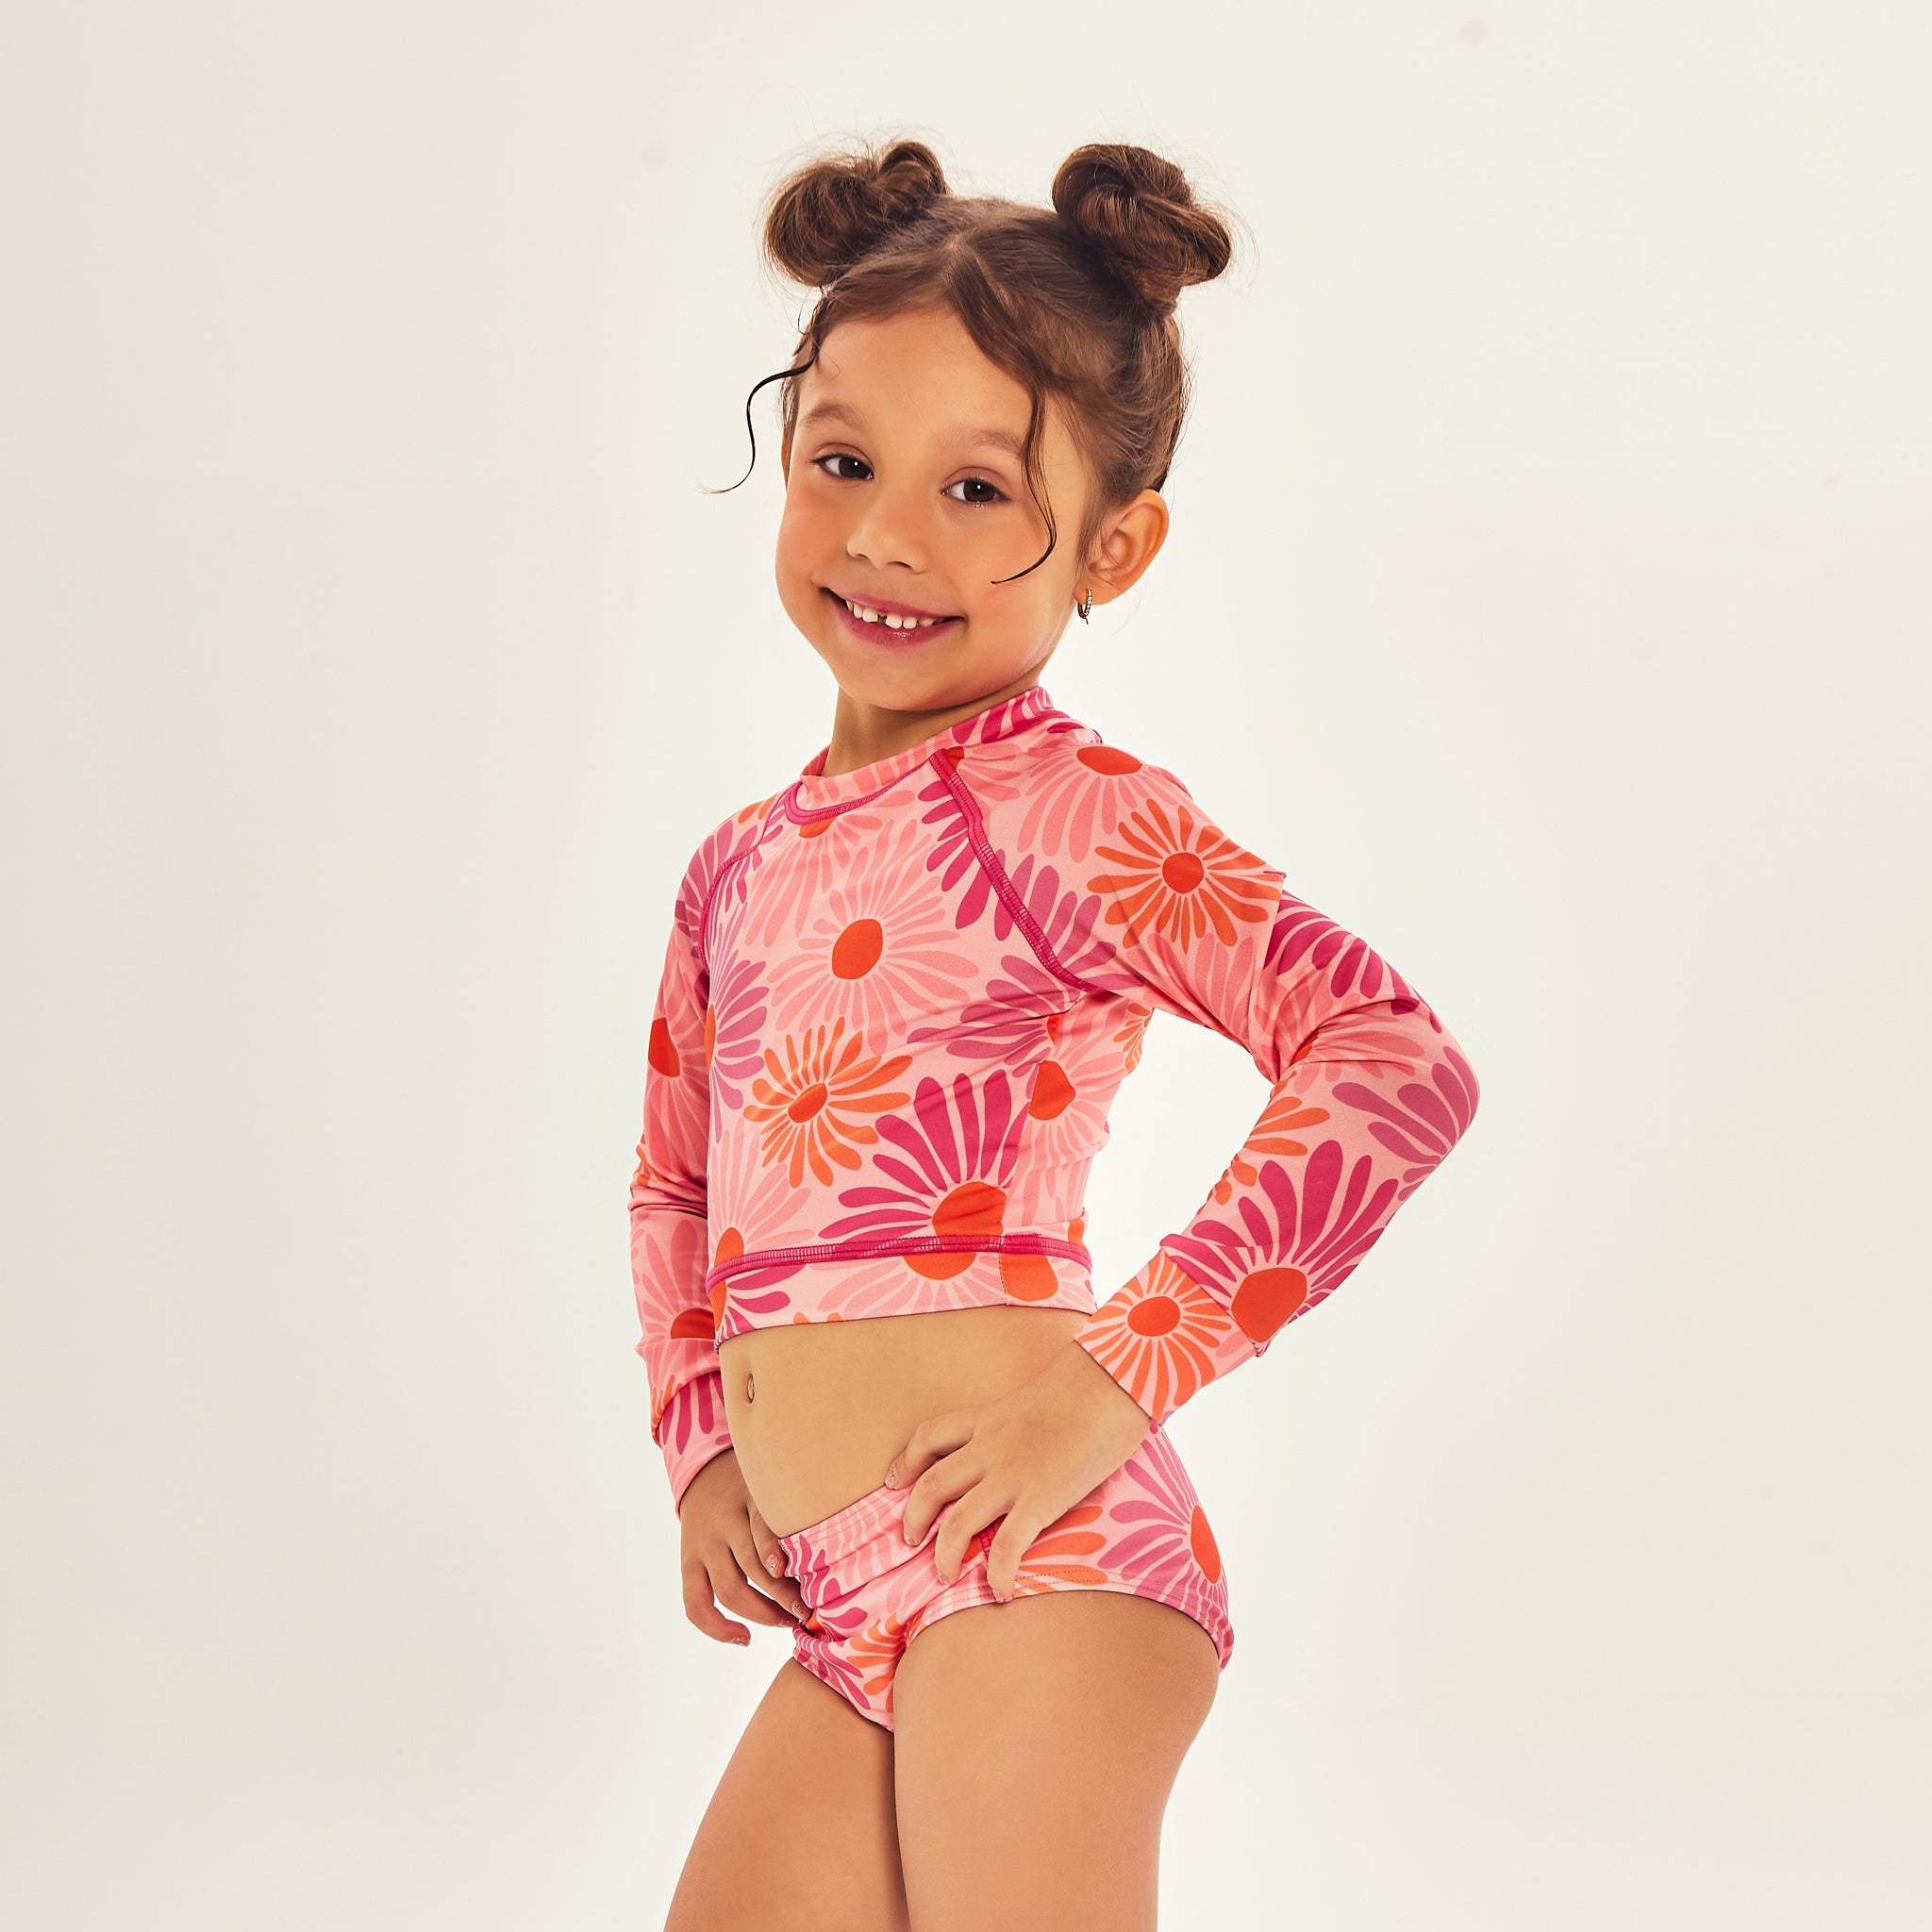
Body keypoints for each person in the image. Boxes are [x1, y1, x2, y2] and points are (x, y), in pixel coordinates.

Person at [629, 137, 1481, 1932]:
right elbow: (674, 1188)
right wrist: (700, 1443)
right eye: (844, 461)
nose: (886, 535)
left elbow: (1390, 1061)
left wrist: (1117, 1380)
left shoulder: (1068, 816)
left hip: (1046, 1548)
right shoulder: (736, 868)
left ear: (1114, 546)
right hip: (837, 1590)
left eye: (975, 490)